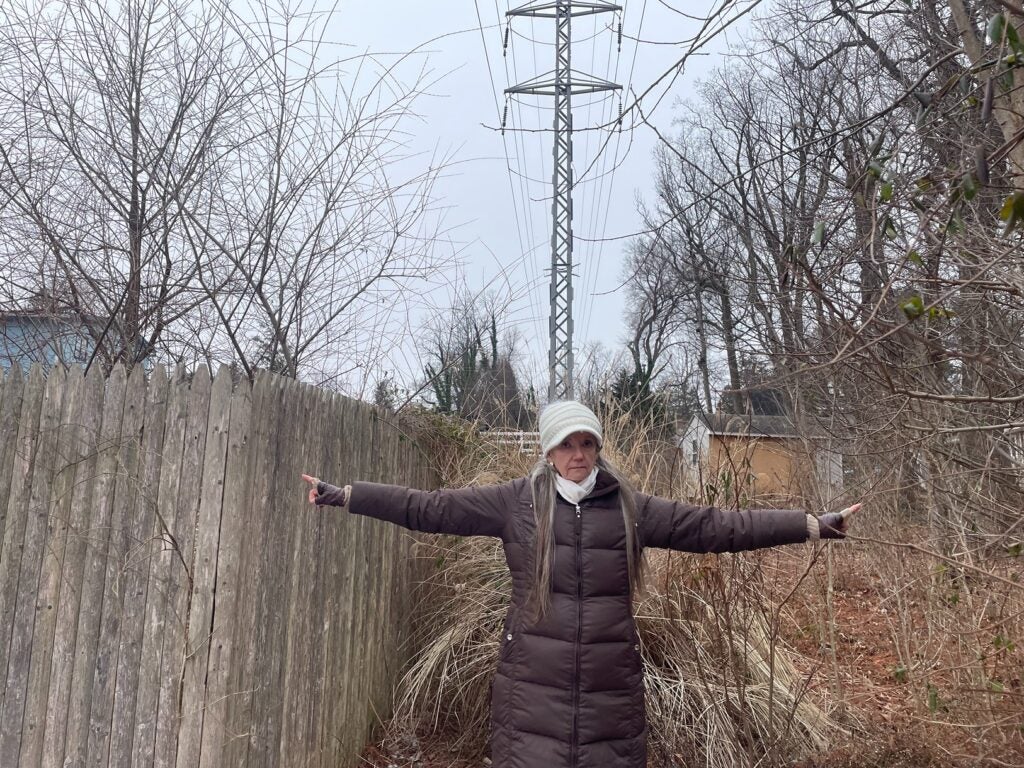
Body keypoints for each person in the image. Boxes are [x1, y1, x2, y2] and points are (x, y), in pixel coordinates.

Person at [301, 400, 859, 768]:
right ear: (547, 450)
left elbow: (716, 527)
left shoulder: (630, 508)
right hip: (530, 689)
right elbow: (426, 508)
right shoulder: (514, 503)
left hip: (609, 687)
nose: (578, 455)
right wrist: (346, 495)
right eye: (567, 445)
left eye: (587, 444)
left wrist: (811, 524)